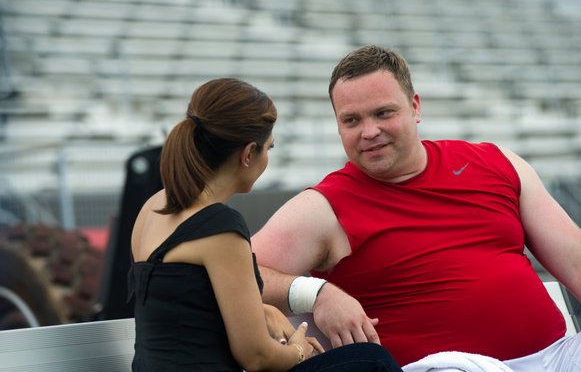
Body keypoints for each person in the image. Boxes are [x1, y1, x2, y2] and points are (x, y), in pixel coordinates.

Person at [252, 46, 581, 371]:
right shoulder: (324, 206)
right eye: (352, 120)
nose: (369, 131)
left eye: (383, 113)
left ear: (415, 107)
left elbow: (579, 261)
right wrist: (316, 293)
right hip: (448, 365)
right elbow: (235, 272)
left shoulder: (496, 163)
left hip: (558, 355)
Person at [127, 77, 403, 372]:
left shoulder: (154, 205)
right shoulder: (219, 227)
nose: (267, 158)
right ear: (248, 154)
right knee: (372, 361)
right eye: (268, 148)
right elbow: (257, 357)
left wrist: (263, 310)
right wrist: (300, 349)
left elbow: (180, 306)